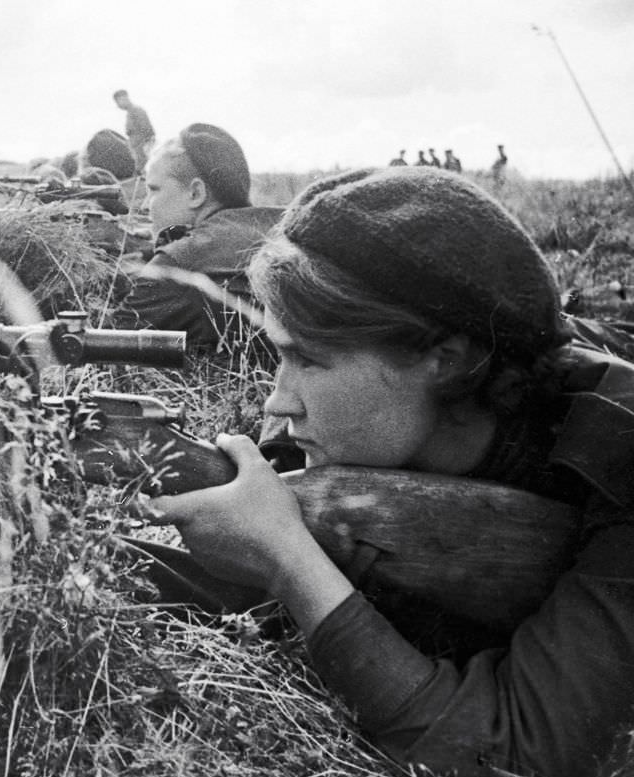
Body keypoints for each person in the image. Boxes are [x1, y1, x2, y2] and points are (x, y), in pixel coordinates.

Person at [146, 166, 634, 776]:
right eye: (279, 355)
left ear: (443, 360)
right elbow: (221, 589)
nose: (278, 401)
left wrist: (289, 564)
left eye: (306, 360)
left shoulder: (617, 452)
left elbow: (516, 755)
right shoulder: (345, 430)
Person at [111, 123, 283, 353]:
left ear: (195, 193)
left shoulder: (183, 260)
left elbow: (106, 344)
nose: (144, 204)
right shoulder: (282, 225)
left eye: (154, 189)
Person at [112, 89, 156, 175]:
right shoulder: (130, 112)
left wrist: (145, 150)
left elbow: (147, 131)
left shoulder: (137, 111)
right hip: (138, 153)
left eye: (118, 102)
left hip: (143, 152)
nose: (118, 106)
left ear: (123, 99)